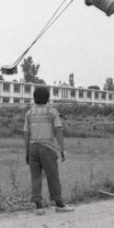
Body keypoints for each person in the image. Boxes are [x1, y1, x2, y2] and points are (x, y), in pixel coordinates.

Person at [24, 85, 74, 213]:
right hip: (47, 148)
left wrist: (27, 151)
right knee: (53, 176)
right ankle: (59, 204)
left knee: (35, 176)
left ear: (34, 98)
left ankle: (39, 207)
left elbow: (26, 133)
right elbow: (58, 131)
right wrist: (63, 149)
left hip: (33, 148)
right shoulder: (52, 112)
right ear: (47, 98)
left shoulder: (29, 113)